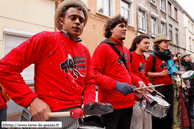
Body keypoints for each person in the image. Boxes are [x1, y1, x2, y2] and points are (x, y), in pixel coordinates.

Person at [0, 0, 111, 128]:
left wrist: (89, 103)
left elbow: (90, 81)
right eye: (73, 17)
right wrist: (31, 100)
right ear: (61, 21)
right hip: (46, 117)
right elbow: (5, 68)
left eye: (81, 20)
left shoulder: (84, 51)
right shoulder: (46, 39)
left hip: (75, 116)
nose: (78, 22)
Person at [92, 15, 146, 129]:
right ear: (111, 29)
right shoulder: (102, 47)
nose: (125, 28)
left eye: (125, 26)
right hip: (110, 106)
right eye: (121, 26)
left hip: (129, 103)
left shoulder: (125, 50)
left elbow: (129, 73)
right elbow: (94, 74)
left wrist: (139, 81)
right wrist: (115, 85)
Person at [145, 33, 177, 129]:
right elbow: (146, 73)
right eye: (165, 42)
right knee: (158, 113)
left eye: (168, 42)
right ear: (158, 44)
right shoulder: (152, 57)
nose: (167, 44)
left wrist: (177, 72)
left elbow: (171, 70)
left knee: (169, 111)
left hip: (169, 86)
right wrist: (159, 74)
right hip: (158, 87)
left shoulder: (169, 56)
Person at [129, 34, 153, 129]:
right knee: (137, 126)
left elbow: (142, 74)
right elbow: (128, 73)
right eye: (145, 43)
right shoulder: (130, 56)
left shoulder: (143, 57)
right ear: (137, 44)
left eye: (148, 43)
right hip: (134, 98)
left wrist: (148, 82)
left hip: (145, 97)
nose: (148, 45)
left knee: (147, 125)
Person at [180, 53, 194, 129]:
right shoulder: (182, 65)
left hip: (192, 86)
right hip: (186, 87)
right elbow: (185, 77)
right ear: (184, 58)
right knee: (187, 104)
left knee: (191, 102)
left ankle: (192, 114)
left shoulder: (191, 64)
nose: (189, 57)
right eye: (188, 56)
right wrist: (186, 86)